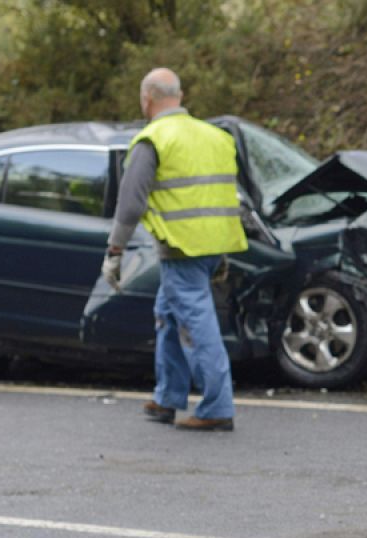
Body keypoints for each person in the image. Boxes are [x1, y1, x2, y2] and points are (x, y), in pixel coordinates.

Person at [104, 68, 247, 432]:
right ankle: (168, 397)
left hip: (182, 249)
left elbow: (130, 204)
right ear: (179, 97)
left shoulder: (153, 139)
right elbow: (219, 196)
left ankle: (217, 407)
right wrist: (221, 253)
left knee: (197, 325)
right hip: (213, 245)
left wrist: (115, 251)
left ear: (146, 99)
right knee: (167, 313)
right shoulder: (215, 137)